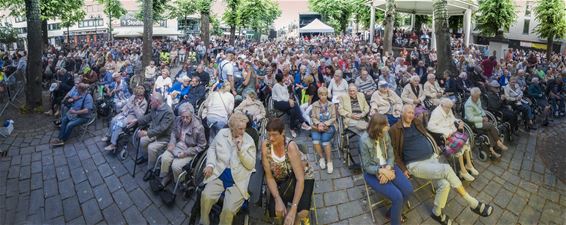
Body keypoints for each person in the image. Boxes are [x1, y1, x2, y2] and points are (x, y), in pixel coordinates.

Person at [390, 104, 494, 225]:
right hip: (415, 164)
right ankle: (472, 202)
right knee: (446, 168)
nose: (411, 115)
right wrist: (402, 169)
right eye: (408, 112)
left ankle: (437, 213)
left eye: (413, 113)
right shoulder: (395, 129)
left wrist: (435, 148)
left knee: (444, 184)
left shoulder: (416, 122)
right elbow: (394, 153)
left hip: (431, 158)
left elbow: (427, 133)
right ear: (402, 113)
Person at [200, 112, 256, 225]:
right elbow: (212, 149)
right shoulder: (221, 134)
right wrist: (210, 165)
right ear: (231, 128)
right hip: (219, 174)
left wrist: (241, 151)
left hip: (238, 179)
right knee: (205, 196)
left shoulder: (249, 141)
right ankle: (204, 220)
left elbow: (251, 165)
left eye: (244, 129)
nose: (243, 132)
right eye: (240, 129)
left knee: (228, 210)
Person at [359, 113, 413, 225]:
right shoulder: (364, 140)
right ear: (377, 129)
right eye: (384, 126)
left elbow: (390, 153)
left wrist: (388, 167)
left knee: (408, 190)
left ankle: (393, 212)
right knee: (397, 196)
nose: (387, 127)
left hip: (389, 166)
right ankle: (395, 220)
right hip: (373, 171)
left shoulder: (385, 133)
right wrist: (382, 171)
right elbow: (367, 166)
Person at [262, 118, 315, 225]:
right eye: (269, 134)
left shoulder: (290, 147)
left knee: (301, 213)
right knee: (276, 211)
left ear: (283, 133)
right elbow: (269, 177)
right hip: (281, 178)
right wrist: (277, 199)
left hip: (302, 176)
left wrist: (293, 209)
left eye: (275, 134)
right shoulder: (266, 146)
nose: (271, 138)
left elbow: (300, 179)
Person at [428, 98, 479, 181]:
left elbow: (453, 119)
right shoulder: (436, 113)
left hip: (453, 133)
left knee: (465, 141)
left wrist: (459, 122)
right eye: (447, 107)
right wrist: (447, 132)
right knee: (460, 145)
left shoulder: (448, 109)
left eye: (450, 107)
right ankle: (462, 170)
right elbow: (430, 127)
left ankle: (469, 165)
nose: (449, 109)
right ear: (442, 105)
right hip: (444, 138)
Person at [159, 104, 207, 186]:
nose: (184, 119)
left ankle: (180, 182)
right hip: (177, 145)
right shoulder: (178, 120)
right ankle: (166, 175)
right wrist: (172, 143)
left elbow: (202, 146)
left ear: (191, 115)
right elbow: (173, 132)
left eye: (187, 117)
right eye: (182, 117)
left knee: (176, 166)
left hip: (189, 149)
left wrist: (186, 153)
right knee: (164, 158)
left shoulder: (198, 128)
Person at [127, 93, 174, 166]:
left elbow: (162, 128)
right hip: (154, 132)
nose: (150, 102)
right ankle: (147, 156)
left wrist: (147, 133)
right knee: (142, 141)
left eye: (152, 101)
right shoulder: (154, 107)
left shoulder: (168, 112)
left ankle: (151, 168)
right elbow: (148, 117)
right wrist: (137, 120)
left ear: (157, 102)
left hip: (163, 136)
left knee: (151, 148)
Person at [465, 87, 508, 158]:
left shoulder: (477, 98)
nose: (478, 98)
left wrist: (484, 115)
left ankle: (492, 150)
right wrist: (481, 119)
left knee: (488, 131)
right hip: (474, 122)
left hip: (481, 118)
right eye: (476, 96)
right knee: (491, 126)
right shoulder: (468, 105)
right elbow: (470, 118)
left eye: (478, 96)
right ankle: (498, 142)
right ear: (472, 96)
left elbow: (481, 109)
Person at [102, 86, 148, 151]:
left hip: (133, 118)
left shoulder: (144, 103)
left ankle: (113, 144)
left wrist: (136, 106)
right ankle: (108, 136)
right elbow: (127, 105)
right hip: (125, 113)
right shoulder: (133, 97)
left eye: (141, 95)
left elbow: (140, 116)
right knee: (113, 120)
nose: (139, 97)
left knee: (119, 124)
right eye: (138, 95)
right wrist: (122, 110)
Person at [272, 73, 310, 138]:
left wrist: (289, 99)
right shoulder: (276, 86)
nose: (285, 78)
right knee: (294, 104)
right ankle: (302, 122)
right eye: (283, 78)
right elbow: (281, 97)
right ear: (281, 79)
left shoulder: (284, 85)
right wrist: (289, 100)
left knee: (293, 111)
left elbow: (287, 95)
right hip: (278, 103)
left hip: (285, 103)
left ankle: (292, 129)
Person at [310, 87, 337, 173]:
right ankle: (321, 157)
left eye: (325, 95)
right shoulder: (314, 105)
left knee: (325, 140)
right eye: (321, 95)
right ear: (318, 95)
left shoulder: (331, 104)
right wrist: (318, 124)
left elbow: (333, 118)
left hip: (329, 125)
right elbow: (313, 117)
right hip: (317, 126)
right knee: (315, 140)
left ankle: (329, 161)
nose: (324, 96)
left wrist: (325, 124)